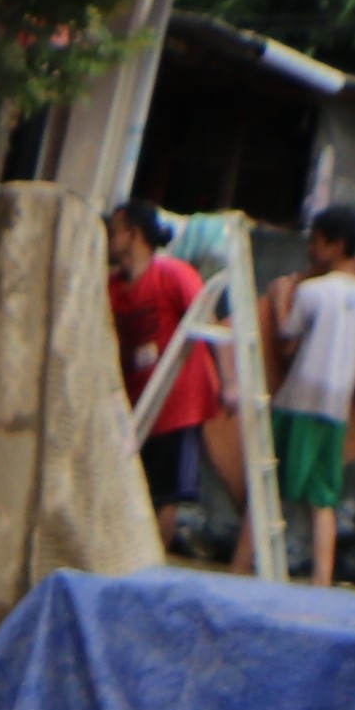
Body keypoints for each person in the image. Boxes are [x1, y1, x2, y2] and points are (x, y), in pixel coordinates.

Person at [269, 204, 355, 582]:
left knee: (270, 490)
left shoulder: (311, 291)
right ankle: (322, 581)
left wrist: (278, 302)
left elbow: (286, 348)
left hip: (296, 403)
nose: (309, 249)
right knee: (323, 499)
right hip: (334, 411)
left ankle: (241, 568)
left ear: (334, 245)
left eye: (315, 241)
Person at [110, 197, 223, 542]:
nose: (110, 240)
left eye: (115, 232)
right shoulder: (114, 287)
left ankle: (152, 561)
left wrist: (229, 383)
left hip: (178, 400)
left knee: (166, 493)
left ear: (133, 234)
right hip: (138, 400)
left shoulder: (173, 274)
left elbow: (211, 324)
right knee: (133, 485)